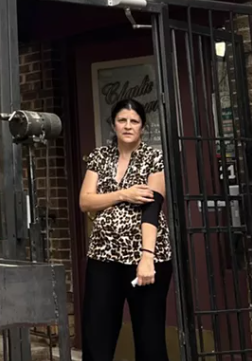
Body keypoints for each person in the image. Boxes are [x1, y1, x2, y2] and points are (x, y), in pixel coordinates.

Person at [78, 98, 172, 361]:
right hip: (103, 256)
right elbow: (85, 201)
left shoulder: (153, 158)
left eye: (134, 121)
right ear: (113, 124)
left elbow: (152, 209)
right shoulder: (100, 157)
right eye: (122, 120)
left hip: (145, 257)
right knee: (97, 332)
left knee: (149, 336)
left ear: (142, 127)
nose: (128, 126)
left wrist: (146, 257)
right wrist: (125, 194)